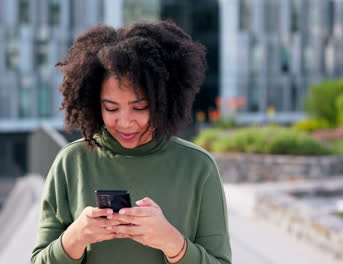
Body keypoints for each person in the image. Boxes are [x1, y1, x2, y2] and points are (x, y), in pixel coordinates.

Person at [31, 20, 231, 264]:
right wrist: (75, 238)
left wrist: (173, 244)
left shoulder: (198, 166)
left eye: (140, 108)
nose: (125, 122)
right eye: (111, 108)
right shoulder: (71, 161)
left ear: (164, 101)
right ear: (95, 103)